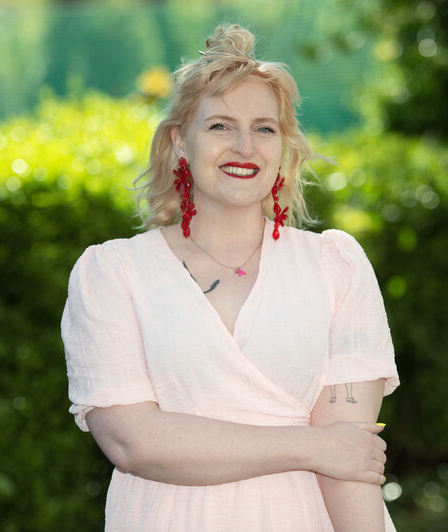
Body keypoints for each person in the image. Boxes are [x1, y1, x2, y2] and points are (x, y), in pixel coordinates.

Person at [61, 23, 399, 531]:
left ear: (283, 145)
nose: (245, 146)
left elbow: (348, 465)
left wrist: (333, 450)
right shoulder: (112, 274)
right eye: (220, 126)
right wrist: (312, 445)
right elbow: (133, 442)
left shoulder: (336, 267)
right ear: (180, 142)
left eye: (264, 128)